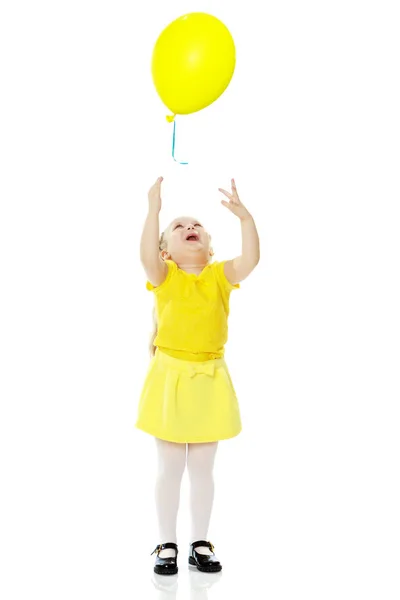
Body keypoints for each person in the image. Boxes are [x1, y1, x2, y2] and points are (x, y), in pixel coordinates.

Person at [136, 176, 260, 575]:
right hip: (170, 378)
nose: (189, 227)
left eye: (196, 226)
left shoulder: (220, 277)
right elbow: (145, 258)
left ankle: (199, 542)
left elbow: (251, 259)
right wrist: (154, 209)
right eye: (178, 226)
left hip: (209, 378)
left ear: (209, 245)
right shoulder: (164, 277)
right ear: (166, 251)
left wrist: (245, 217)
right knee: (170, 468)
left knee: (203, 469)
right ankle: (166, 542)